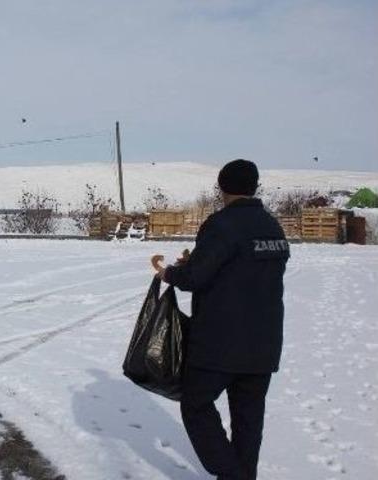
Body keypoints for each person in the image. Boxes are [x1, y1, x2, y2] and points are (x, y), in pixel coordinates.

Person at [155, 159, 289, 480]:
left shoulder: (221, 224)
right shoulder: (272, 227)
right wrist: (197, 261)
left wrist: (169, 273)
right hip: (263, 345)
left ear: (221, 187)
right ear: (254, 187)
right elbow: (241, 268)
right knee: (248, 422)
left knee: (195, 404)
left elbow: (198, 277)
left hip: (219, 343)